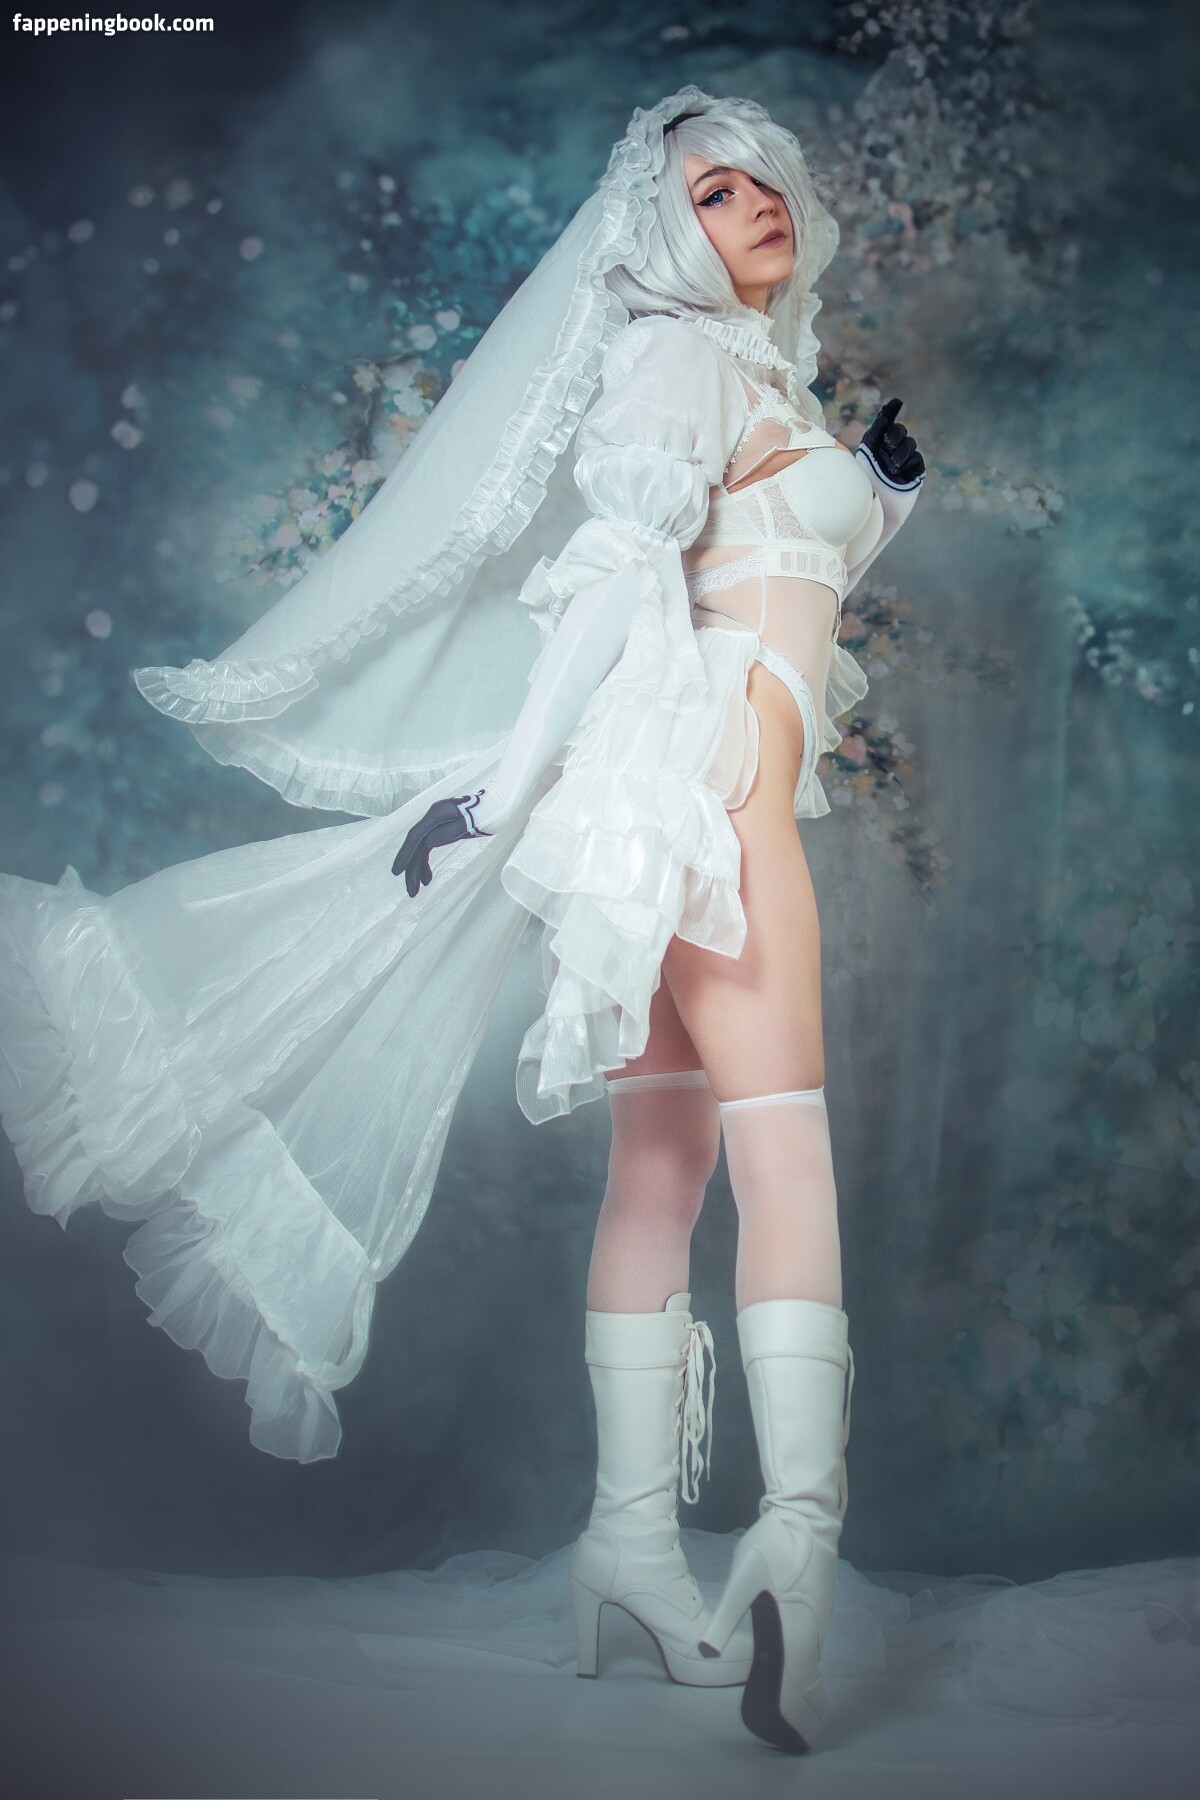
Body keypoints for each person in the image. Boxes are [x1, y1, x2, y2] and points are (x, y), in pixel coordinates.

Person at [0, 89, 924, 1755]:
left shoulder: (755, 375)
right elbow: (620, 579)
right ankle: (796, 1544)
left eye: (762, 183)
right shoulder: (674, 357)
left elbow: (781, 567)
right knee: (783, 1157)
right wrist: (502, 794)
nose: (754, 205)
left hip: (666, 817)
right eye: (714, 193)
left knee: (664, 1167)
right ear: (661, 232)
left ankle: (626, 1544)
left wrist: (878, 485)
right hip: (704, 805)